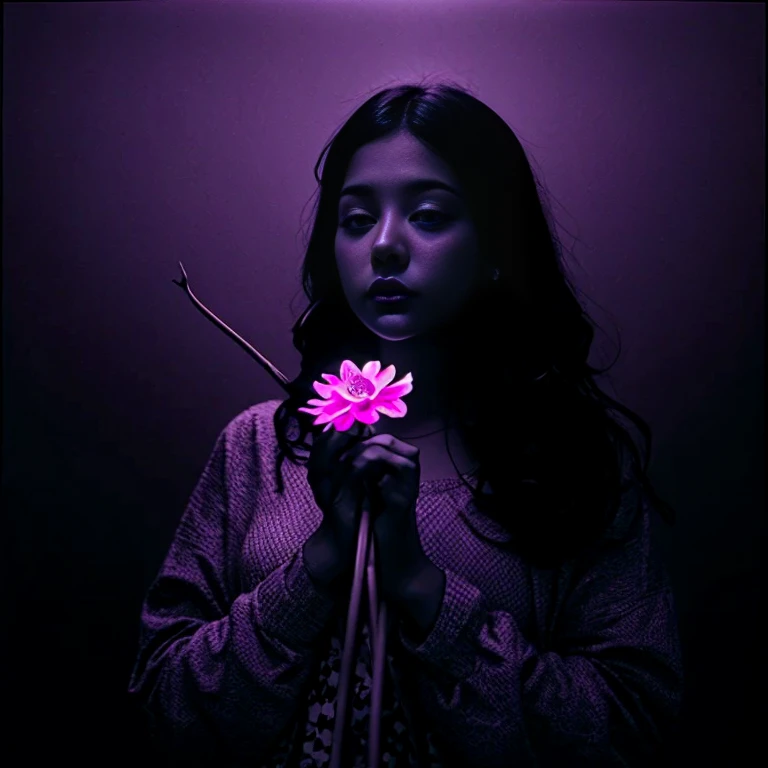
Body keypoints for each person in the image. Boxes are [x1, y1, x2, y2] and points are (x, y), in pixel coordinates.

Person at [128, 80, 683, 767]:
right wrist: (320, 561)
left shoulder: (573, 461)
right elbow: (161, 710)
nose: (385, 246)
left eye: (427, 214)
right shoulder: (258, 448)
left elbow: (632, 732)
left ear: (497, 246)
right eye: (357, 220)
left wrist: (421, 585)